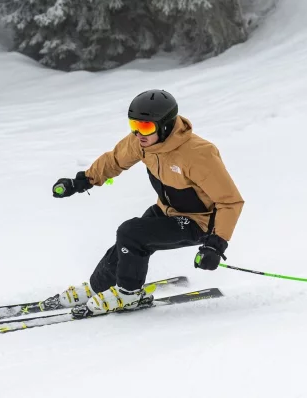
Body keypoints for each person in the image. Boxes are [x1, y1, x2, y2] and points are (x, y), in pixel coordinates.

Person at [51, 89, 244, 315]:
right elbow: (114, 160)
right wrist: (82, 181)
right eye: (134, 125)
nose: (138, 133)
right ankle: (99, 286)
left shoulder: (199, 154)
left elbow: (230, 201)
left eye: (145, 127)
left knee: (132, 234)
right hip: (168, 211)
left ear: (165, 125)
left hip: (200, 222)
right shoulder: (142, 143)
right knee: (127, 244)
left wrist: (216, 245)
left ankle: (129, 294)